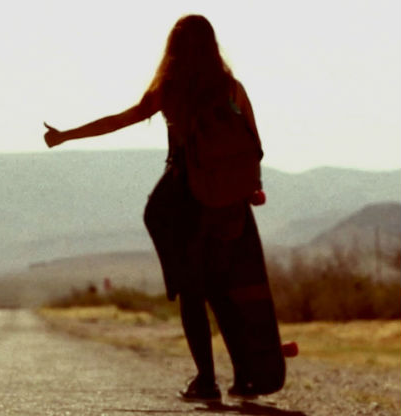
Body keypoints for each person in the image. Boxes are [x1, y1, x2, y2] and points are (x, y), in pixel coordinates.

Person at [44, 15, 277, 402]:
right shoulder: (231, 88)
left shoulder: (170, 88)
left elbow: (120, 120)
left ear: (174, 49)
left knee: (191, 291)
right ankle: (244, 378)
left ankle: (207, 381)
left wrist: (67, 135)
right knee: (221, 291)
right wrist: (251, 187)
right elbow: (254, 142)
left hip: (185, 200)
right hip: (228, 202)